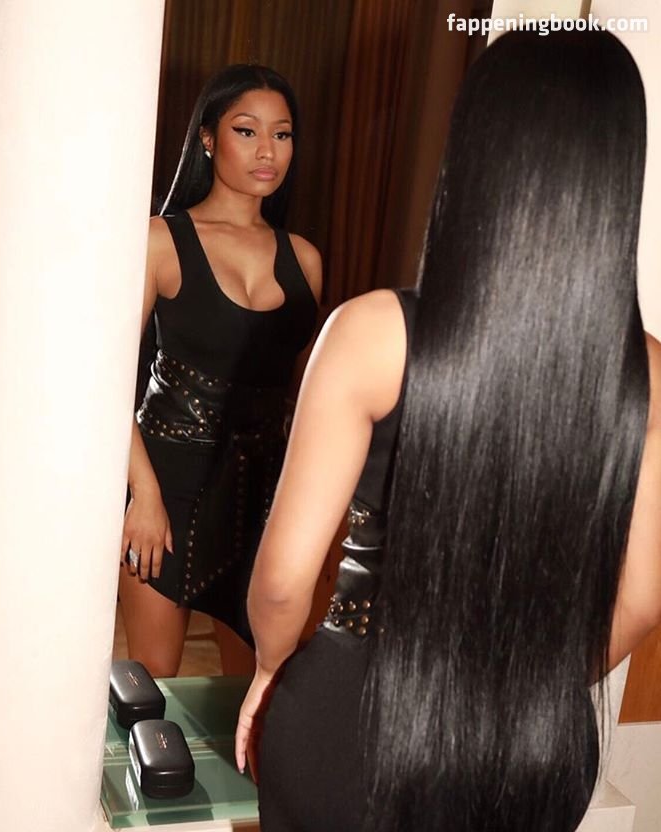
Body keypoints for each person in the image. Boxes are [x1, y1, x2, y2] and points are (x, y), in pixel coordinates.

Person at [235, 30, 661, 832]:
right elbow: (640, 598)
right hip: (533, 746)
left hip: (347, 727)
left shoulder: (371, 333)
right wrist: (525, 684)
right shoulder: (651, 373)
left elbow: (285, 582)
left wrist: (268, 668)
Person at [119, 64, 321, 678]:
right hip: (167, 485)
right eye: (247, 130)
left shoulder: (305, 260)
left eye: (282, 134)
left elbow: (307, 401)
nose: (267, 151)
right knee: (151, 687)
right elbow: (104, 382)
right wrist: (143, 495)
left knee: (260, 690)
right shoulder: (159, 240)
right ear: (208, 138)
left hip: (263, 497)